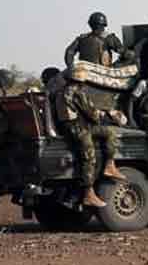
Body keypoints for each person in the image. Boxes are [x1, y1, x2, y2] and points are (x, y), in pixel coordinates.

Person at [52, 77, 126, 208]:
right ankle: (89, 193)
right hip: (78, 128)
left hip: (69, 127)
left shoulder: (60, 91)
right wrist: (109, 115)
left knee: (107, 133)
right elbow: (92, 114)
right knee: (89, 156)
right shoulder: (77, 92)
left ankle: (109, 166)